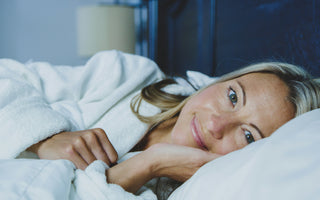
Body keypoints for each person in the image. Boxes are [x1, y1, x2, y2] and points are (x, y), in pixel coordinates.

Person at [1, 50, 320, 199]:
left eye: (248, 135)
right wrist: (44, 136)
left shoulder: (195, 192)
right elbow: (8, 74)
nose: (217, 123)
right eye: (233, 97)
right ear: (218, 82)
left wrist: (150, 164)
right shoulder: (129, 76)